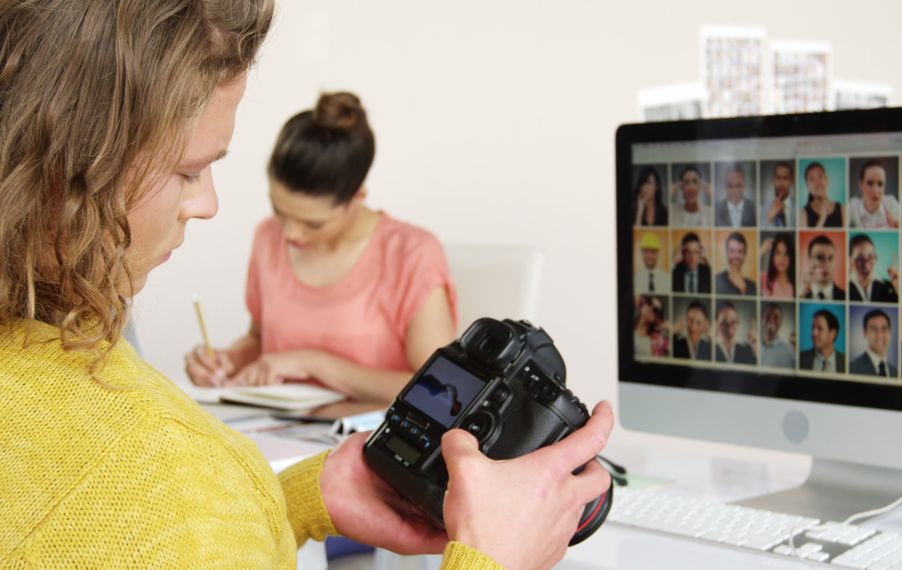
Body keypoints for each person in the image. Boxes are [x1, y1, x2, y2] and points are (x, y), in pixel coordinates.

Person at [0, 3, 613, 568]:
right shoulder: (163, 479)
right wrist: (492, 560)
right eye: (188, 170)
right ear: (73, 166)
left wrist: (284, 501)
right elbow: (174, 528)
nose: (209, 203)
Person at [185, 92, 456, 404]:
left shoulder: (412, 254)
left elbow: (438, 391)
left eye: (313, 224)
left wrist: (312, 362)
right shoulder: (267, 237)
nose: (289, 233)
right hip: (275, 431)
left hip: (370, 440)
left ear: (358, 195)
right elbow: (260, 341)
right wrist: (227, 361)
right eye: (280, 211)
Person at [849, 159, 900, 229]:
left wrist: (898, 226)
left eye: (880, 184)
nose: (875, 190)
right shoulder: (853, 205)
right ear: (861, 184)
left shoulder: (891, 203)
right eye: (870, 183)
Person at [848, 234, 899, 302]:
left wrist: (898, 290)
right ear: (850, 260)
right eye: (860, 258)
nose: (866, 262)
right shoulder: (845, 288)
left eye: (870, 256)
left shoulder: (889, 287)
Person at [850, 310, 897, 377]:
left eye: (884, 329)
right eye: (874, 329)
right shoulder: (853, 368)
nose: (880, 335)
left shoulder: (895, 372)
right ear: (865, 333)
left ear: (890, 333)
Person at [798, 162, 844, 228]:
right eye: (812, 179)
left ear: (827, 179)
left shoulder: (842, 208)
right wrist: (822, 218)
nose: (818, 182)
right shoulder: (802, 214)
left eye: (820, 176)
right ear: (807, 186)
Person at [801, 235, 845, 300]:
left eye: (830, 258)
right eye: (819, 257)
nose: (826, 264)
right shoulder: (801, 295)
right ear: (809, 261)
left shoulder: (845, 296)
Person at [760, 303, 796, 368]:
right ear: (762, 319)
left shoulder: (789, 351)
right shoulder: (754, 346)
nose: (771, 320)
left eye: (776, 317)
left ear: (781, 322)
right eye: (768, 316)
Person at [761, 233, 796, 298]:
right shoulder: (763, 278)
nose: (782, 258)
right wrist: (761, 251)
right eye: (778, 253)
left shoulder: (796, 283)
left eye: (787, 254)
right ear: (772, 256)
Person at [761, 162, 795, 228]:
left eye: (785, 178)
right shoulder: (762, 208)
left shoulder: (797, 208)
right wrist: (769, 217)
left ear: (791, 181)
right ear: (773, 180)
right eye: (778, 178)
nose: (781, 183)